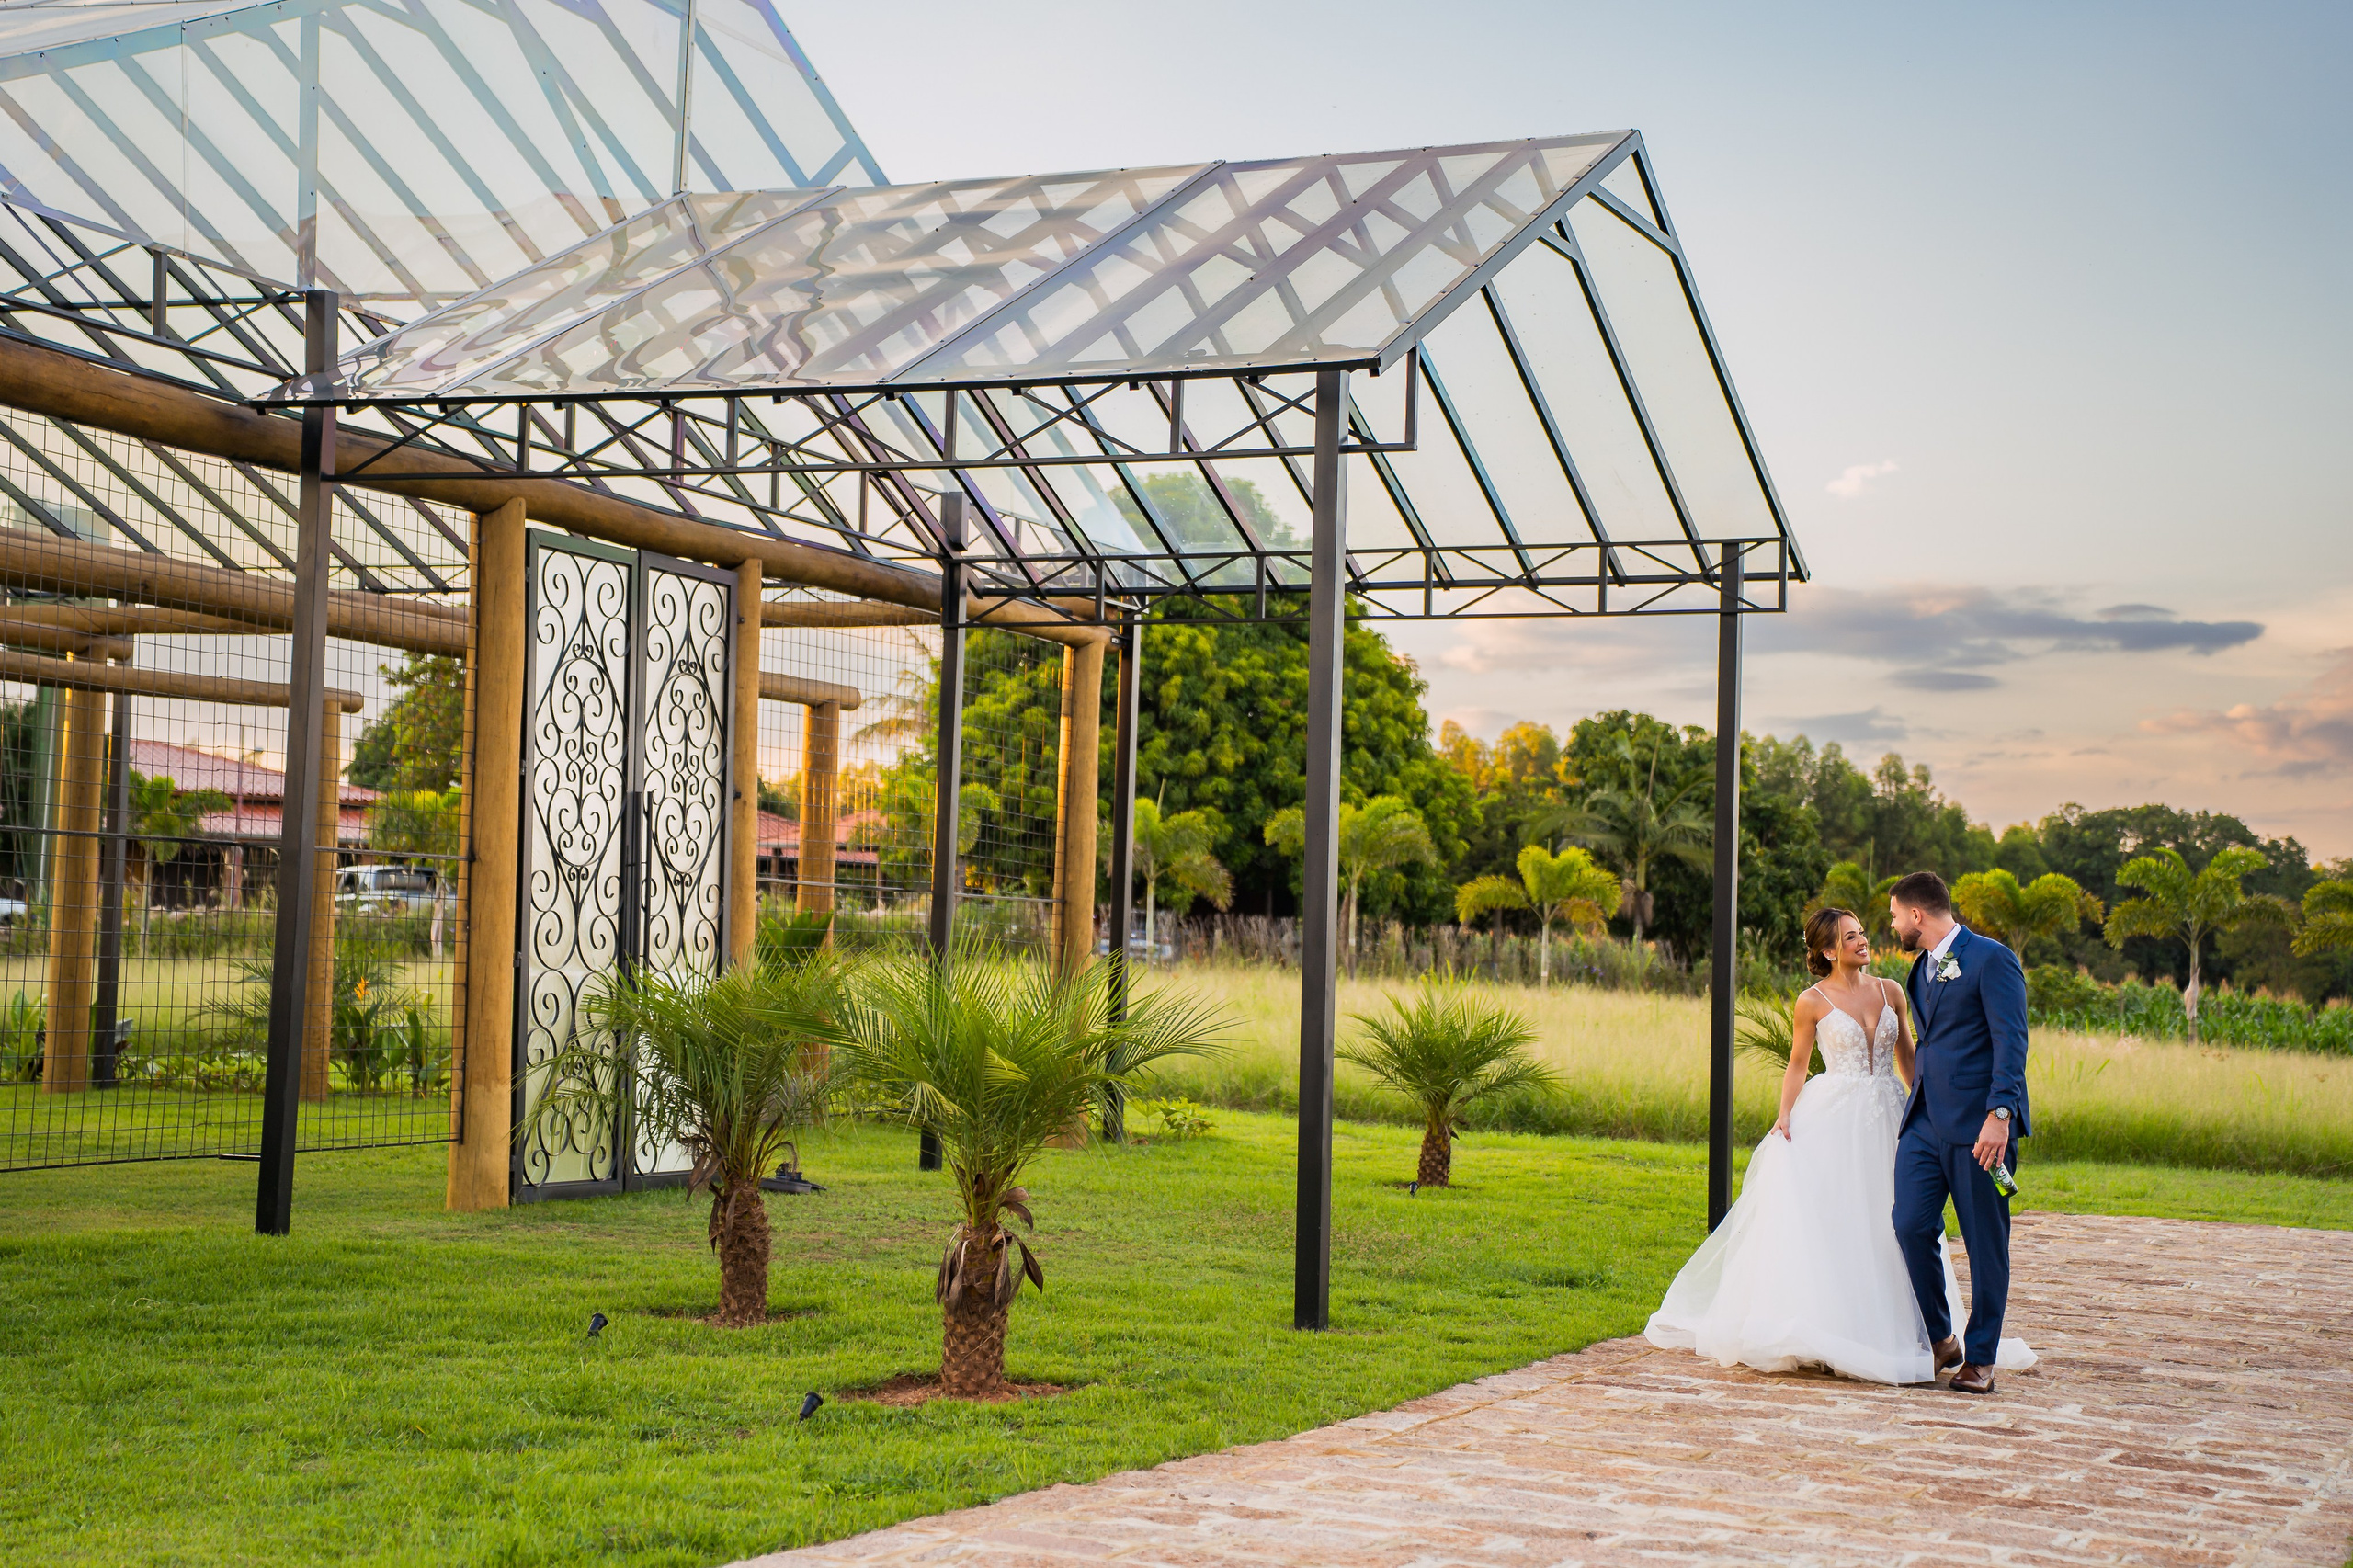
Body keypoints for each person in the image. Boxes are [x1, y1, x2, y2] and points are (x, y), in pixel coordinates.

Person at [1644, 903, 2035, 1385]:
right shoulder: (1812, 1002)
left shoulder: (1894, 988)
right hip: (1836, 1113)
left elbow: (1914, 1056)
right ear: (1828, 950)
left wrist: (1930, 1110)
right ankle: (1870, 1328)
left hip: (1896, 1112)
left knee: (1906, 1221)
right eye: (1850, 937)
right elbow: (1796, 1062)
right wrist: (1784, 1115)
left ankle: (1942, 1340)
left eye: (1863, 932)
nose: (1863, 940)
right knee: (1867, 1220)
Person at [1889, 869, 2032, 1395]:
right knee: (1909, 1223)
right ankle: (1941, 1336)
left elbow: (2010, 1041)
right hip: (1924, 1121)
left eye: (1895, 915)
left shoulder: (1991, 958)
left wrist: (2001, 1115)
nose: (1893, 924)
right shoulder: (1922, 965)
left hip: (1980, 1127)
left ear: (1917, 914)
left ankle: (1983, 1357)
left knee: (1985, 1241)